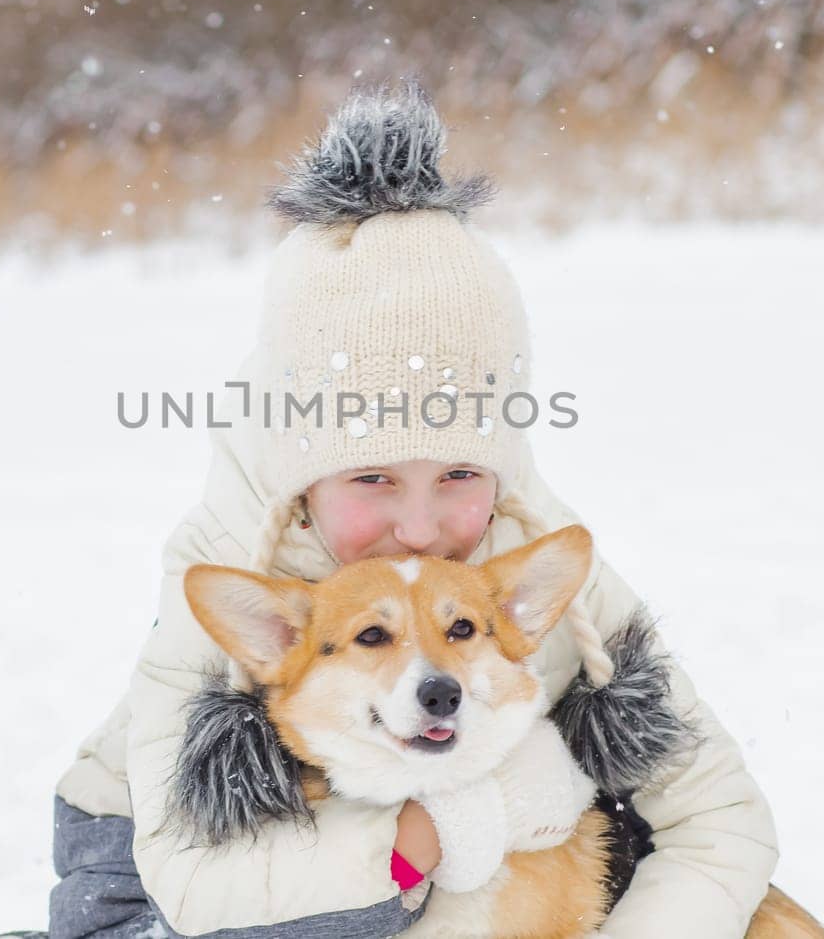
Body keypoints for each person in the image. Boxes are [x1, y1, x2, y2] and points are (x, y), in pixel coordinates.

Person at [41, 82, 778, 938]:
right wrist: (459, 819)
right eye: (373, 479)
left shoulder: (522, 546)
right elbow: (200, 884)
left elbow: (720, 819)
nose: (423, 527)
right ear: (304, 472)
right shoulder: (233, 550)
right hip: (151, 873)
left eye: (459, 471)